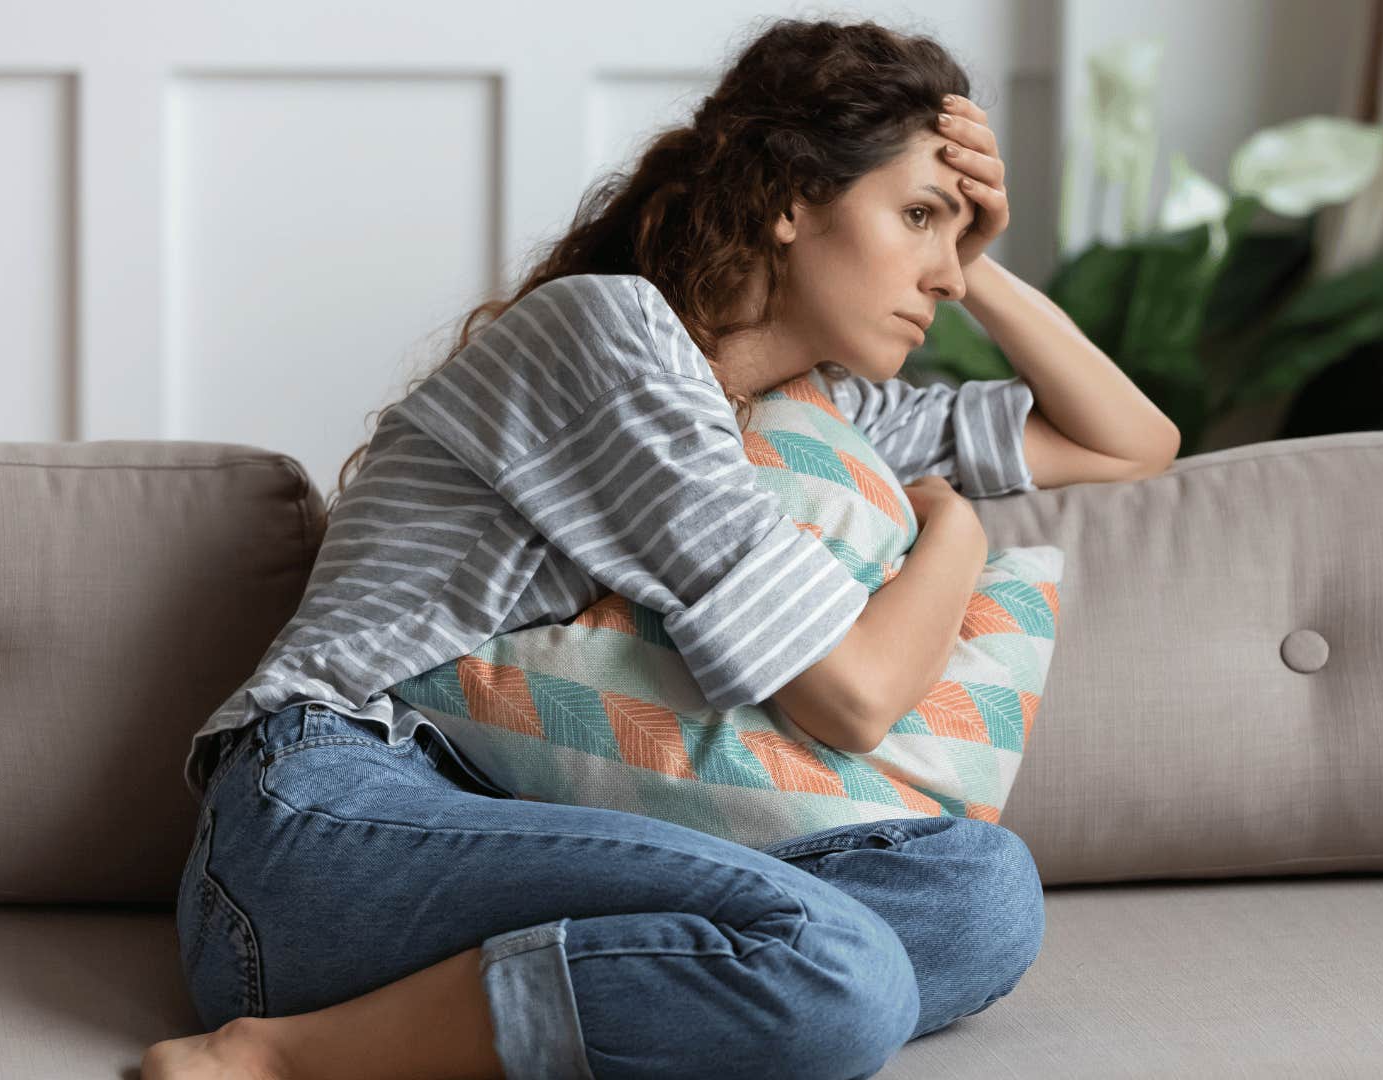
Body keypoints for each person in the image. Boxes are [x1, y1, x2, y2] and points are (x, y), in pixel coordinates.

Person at [140, 17, 1077, 1080]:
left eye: (954, 237)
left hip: (515, 817)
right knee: (842, 973)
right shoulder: (616, 336)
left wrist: (979, 259)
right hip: (331, 818)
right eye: (915, 216)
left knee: (979, 896)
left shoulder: (800, 408)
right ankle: (287, 1056)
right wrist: (956, 524)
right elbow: (856, 697)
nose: (943, 276)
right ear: (788, 200)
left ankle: (575, 1003)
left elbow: (1127, 440)